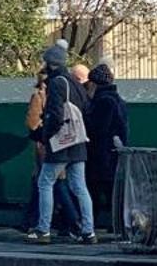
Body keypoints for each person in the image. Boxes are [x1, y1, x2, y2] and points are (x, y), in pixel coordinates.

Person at [33, 43, 95, 244]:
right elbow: (86, 110)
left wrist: (46, 134)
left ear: (50, 63)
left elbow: (55, 114)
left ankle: (43, 230)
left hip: (61, 143)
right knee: (80, 187)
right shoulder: (75, 82)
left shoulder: (57, 83)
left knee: (45, 182)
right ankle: (89, 231)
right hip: (78, 141)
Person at [84, 62, 129, 234]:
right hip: (113, 153)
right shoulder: (118, 100)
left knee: (95, 190)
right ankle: (118, 225)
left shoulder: (103, 102)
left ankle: (93, 224)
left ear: (95, 83)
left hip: (101, 155)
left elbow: (97, 128)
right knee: (112, 192)